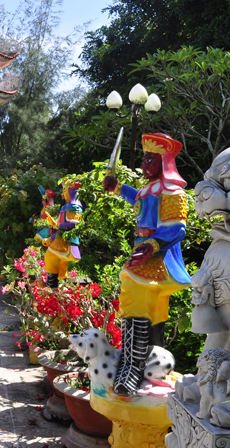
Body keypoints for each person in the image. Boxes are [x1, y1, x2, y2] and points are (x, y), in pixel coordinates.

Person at [103, 133, 191, 396]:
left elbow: (177, 227)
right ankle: (148, 364)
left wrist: (152, 245)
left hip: (157, 255)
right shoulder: (150, 189)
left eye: (150, 159)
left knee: (135, 293)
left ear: (164, 161)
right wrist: (118, 187)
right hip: (143, 251)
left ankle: (133, 366)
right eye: (144, 158)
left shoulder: (172, 191)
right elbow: (138, 199)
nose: (145, 164)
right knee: (151, 308)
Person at [42, 181, 83, 288]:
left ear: (71, 192)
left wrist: (57, 225)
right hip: (62, 238)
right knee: (61, 264)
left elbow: (73, 224)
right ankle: (60, 288)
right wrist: (51, 239)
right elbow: (60, 230)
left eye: (64, 190)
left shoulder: (74, 207)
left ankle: (52, 286)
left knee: (50, 256)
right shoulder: (66, 206)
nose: (62, 193)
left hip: (68, 240)